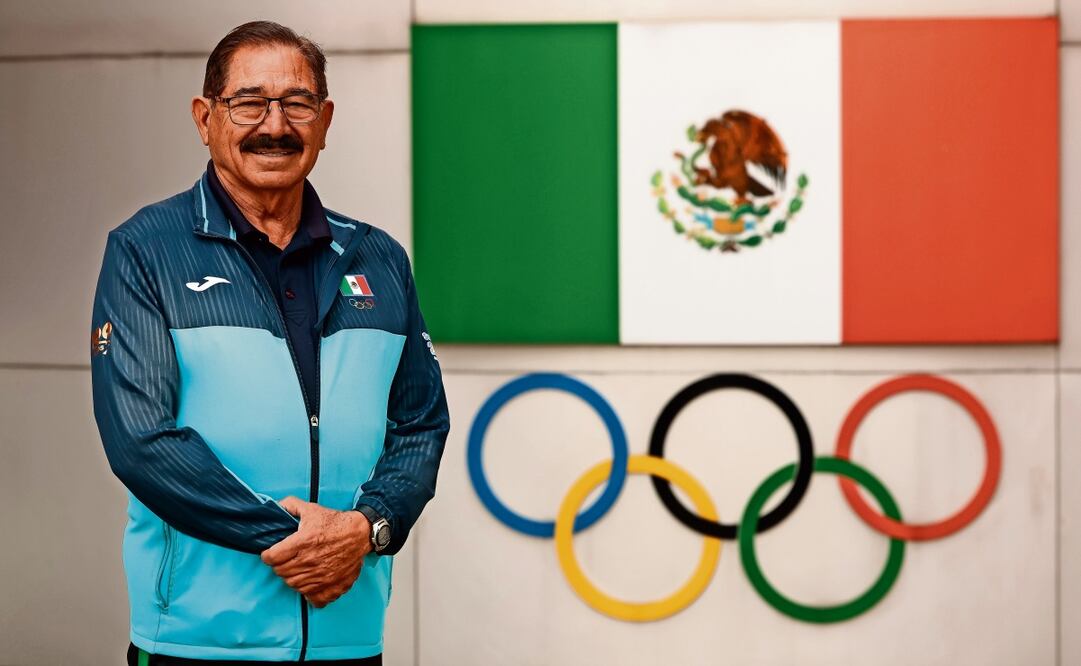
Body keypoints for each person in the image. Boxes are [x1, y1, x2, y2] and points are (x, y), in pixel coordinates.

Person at [90, 21, 449, 665]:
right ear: (205, 118)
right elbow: (142, 443)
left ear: (326, 119)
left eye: (297, 103)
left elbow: (420, 424)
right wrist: (305, 541)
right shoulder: (147, 250)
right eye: (248, 102)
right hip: (197, 643)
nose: (274, 125)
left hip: (346, 636)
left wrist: (366, 529)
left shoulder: (380, 257)